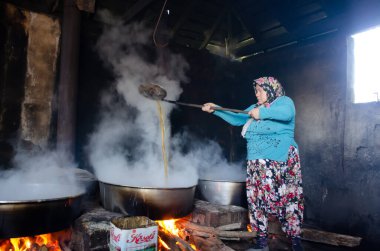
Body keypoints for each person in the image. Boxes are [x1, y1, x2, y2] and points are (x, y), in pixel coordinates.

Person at [202, 76, 304, 251]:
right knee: (256, 201)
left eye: (259, 90)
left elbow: (287, 115)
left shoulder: (284, 102)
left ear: (270, 89)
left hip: (280, 162)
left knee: (289, 200)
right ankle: (261, 242)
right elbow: (236, 118)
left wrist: (262, 113)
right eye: (255, 91)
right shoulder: (255, 108)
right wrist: (216, 109)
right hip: (257, 165)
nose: (256, 94)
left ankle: (296, 242)